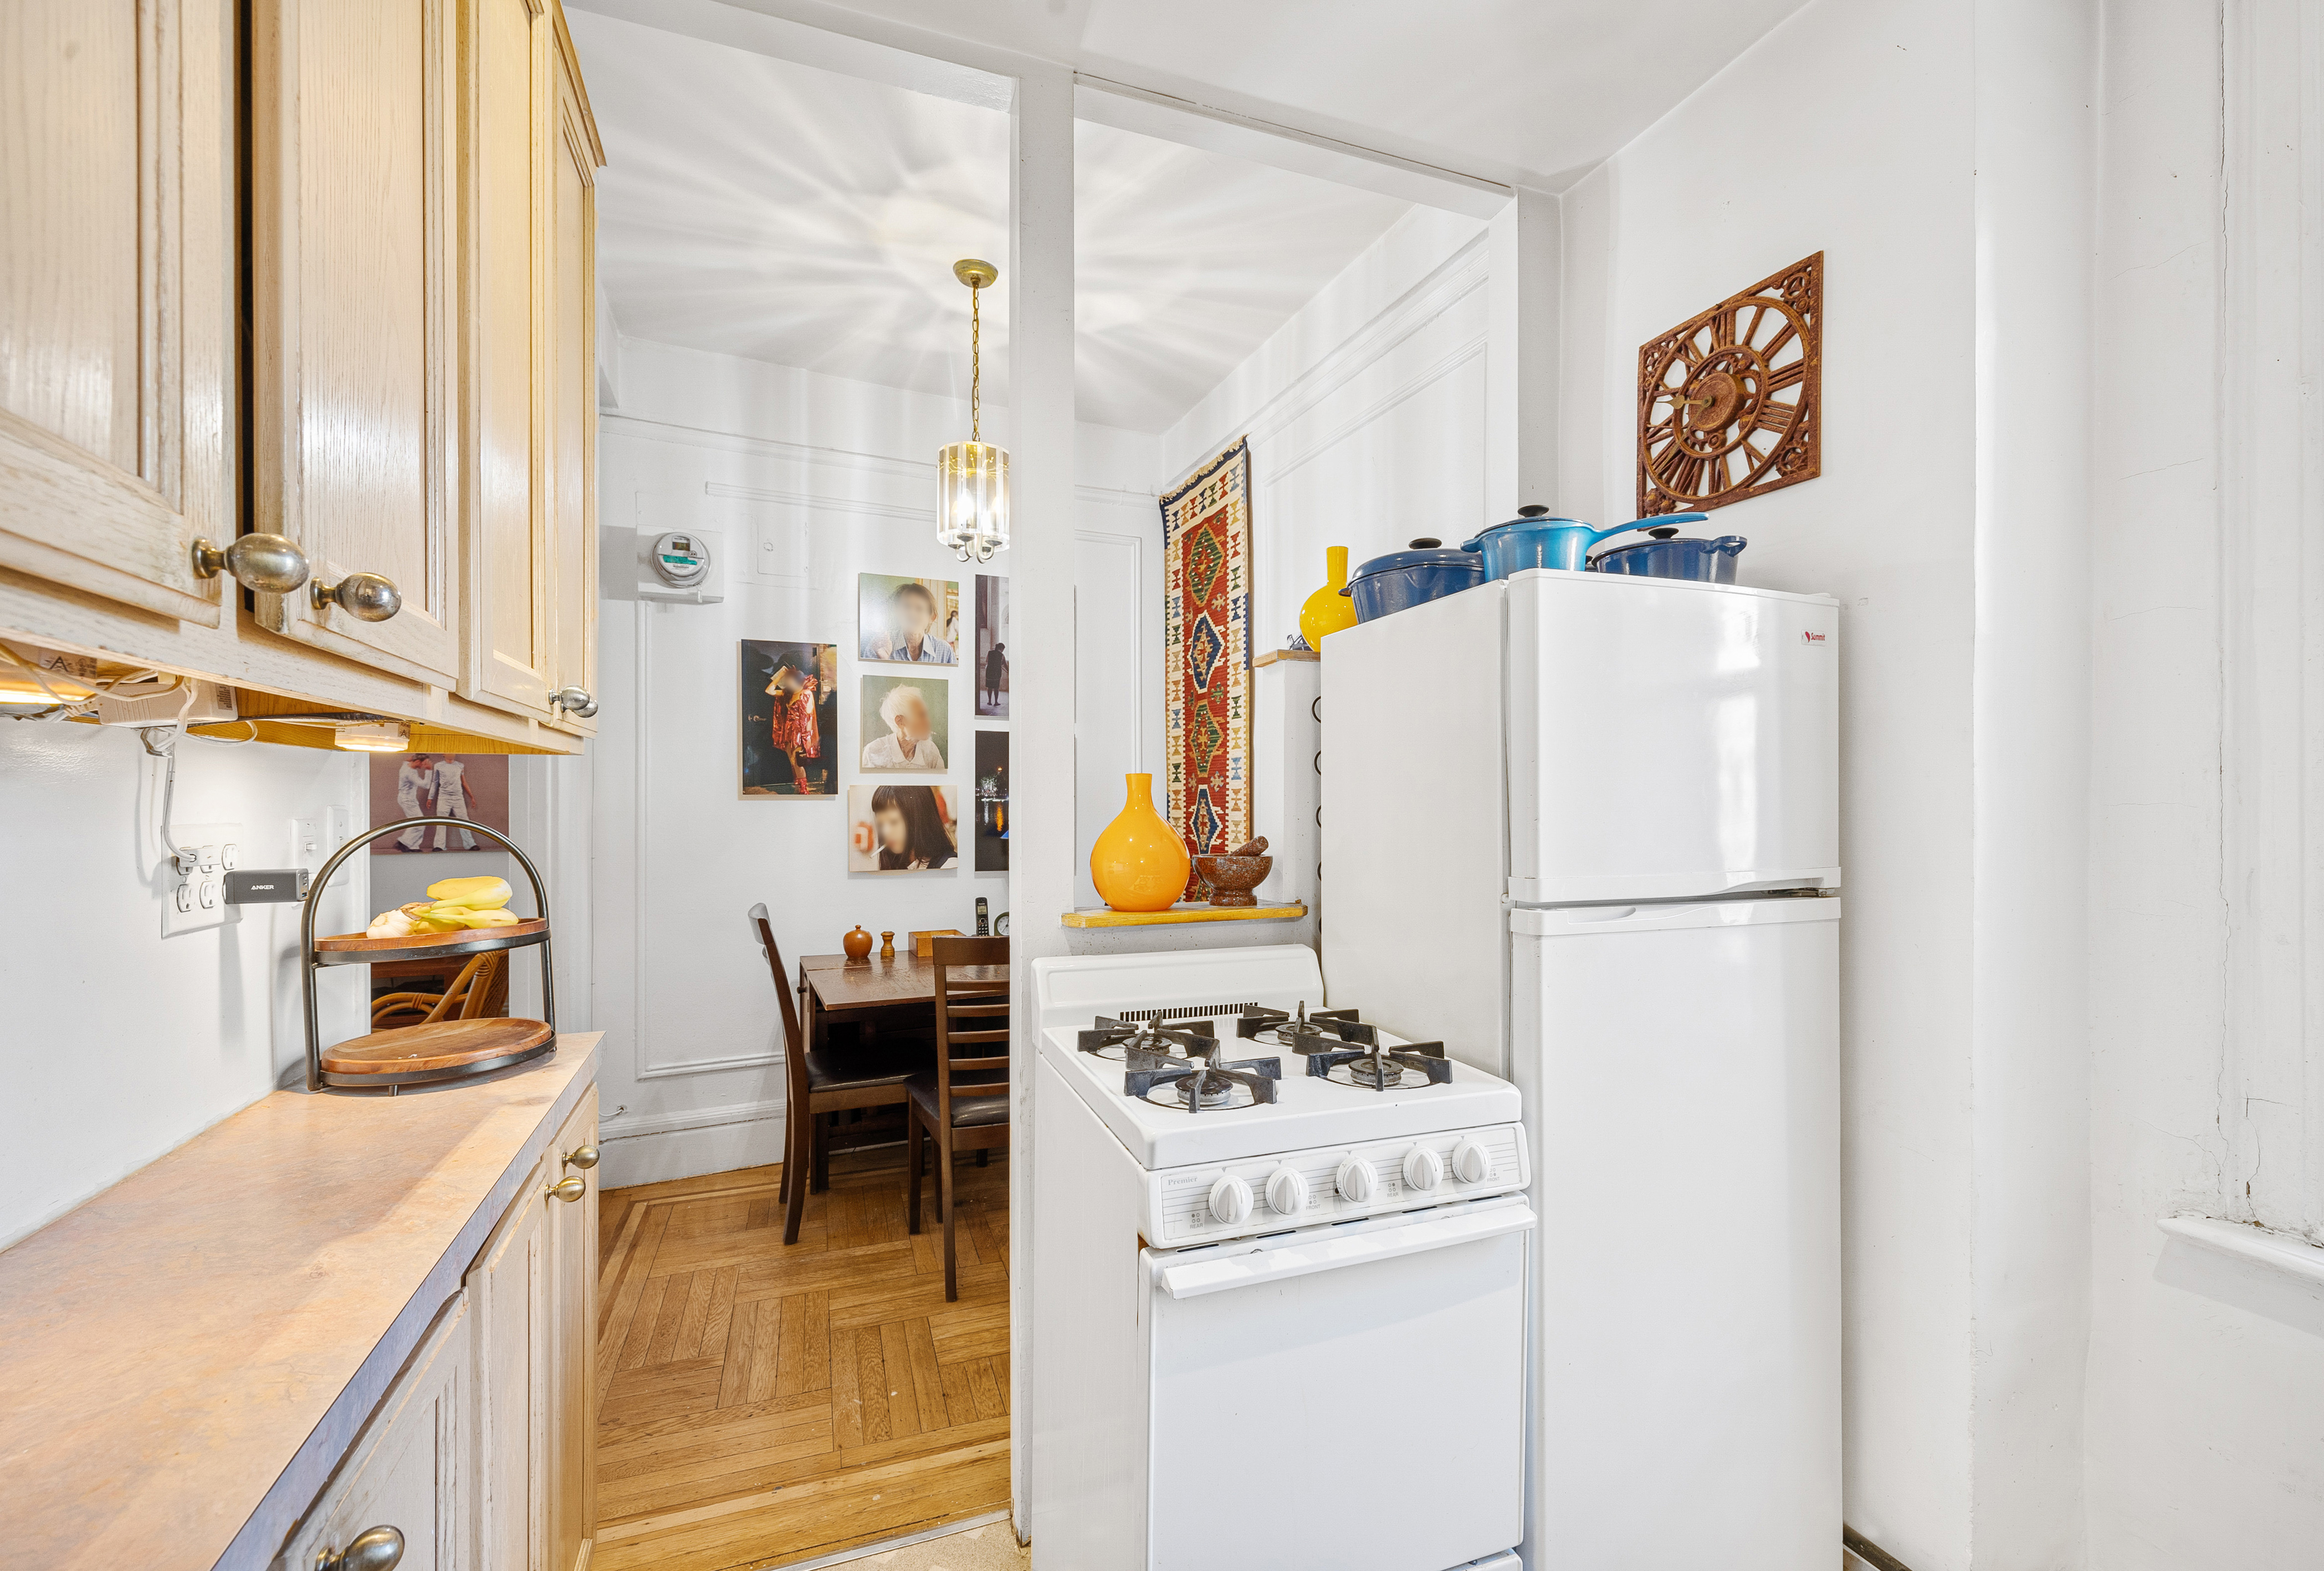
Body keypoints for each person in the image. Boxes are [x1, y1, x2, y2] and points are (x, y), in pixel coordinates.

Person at [766, 659, 823, 794]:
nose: (787, 683)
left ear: (796, 680)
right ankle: (798, 783)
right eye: (786, 681)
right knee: (792, 760)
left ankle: (804, 789)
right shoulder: (787, 694)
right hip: (788, 731)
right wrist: (780, 676)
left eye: (789, 680)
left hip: (799, 732)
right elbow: (769, 690)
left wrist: (806, 738)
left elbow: (809, 716)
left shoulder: (806, 694)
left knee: (797, 761)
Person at [871, 784, 957, 869]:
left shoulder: (949, 867)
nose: (886, 832)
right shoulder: (897, 865)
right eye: (880, 824)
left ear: (919, 819)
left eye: (894, 822)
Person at [861, 684, 944, 770]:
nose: (928, 722)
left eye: (926, 714)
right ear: (900, 722)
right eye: (921, 715)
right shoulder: (875, 751)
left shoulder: (931, 750)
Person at [867, 581, 955, 663]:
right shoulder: (878, 646)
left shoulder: (944, 650)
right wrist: (884, 661)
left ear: (932, 618)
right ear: (897, 611)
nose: (912, 614)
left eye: (919, 608)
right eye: (906, 606)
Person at [429, 755, 479, 851]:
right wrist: (430, 797)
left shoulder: (460, 765)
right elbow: (435, 782)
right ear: (444, 754)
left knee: (464, 820)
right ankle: (439, 846)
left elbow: (464, 782)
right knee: (441, 820)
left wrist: (471, 796)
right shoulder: (438, 766)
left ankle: (470, 844)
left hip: (458, 797)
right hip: (444, 797)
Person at [394, 755, 436, 850]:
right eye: (424, 763)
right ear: (417, 762)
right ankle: (403, 843)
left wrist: (412, 758)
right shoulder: (410, 773)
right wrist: (429, 770)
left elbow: (406, 761)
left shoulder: (406, 766)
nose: (425, 765)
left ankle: (413, 847)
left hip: (408, 799)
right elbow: (425, 785)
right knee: (419, 823)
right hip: (407, 800)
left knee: (417, 823)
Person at [981, 639, 1007, 710]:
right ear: (1001, 649)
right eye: (1003, 650)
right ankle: (996, 702)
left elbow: (987, 661)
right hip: (997, 673)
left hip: (989, 672)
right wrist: (1009, 672)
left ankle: (989, 701)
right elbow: (1005, 664)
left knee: (989, 687)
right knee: (996, 688)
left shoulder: (990, 653)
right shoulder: (1002, 655)